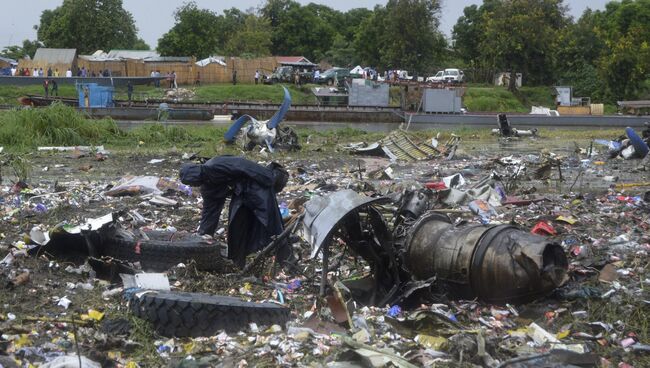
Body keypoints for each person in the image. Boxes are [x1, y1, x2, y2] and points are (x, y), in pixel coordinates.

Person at [179, 156, 290, 267]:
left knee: (270, 221)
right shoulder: (208, 188)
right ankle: (238, 264)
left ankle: (287, 260)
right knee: (236, 227)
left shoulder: (216, 164)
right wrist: (204, 235)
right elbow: (210, 211)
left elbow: (244, 165)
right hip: (241, 193)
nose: (194, 185)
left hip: (257, 183)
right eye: (192, 184)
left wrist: (268, 177)